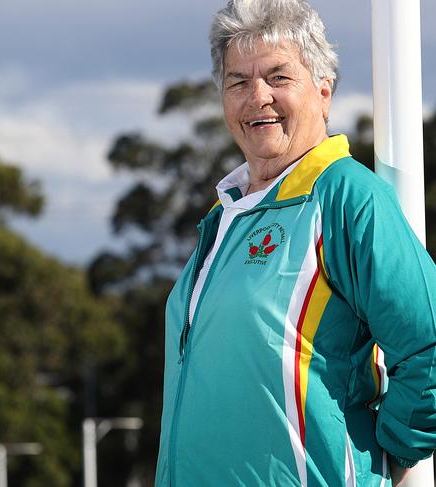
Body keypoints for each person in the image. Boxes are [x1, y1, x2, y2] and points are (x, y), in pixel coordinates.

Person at [155, 0, 436, 485]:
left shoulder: (347, 197)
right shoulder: (223, 217)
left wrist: (388, 452)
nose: (256, 96)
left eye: (278, 78)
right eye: (238, 81)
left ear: (324, 91)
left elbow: (429, 344)